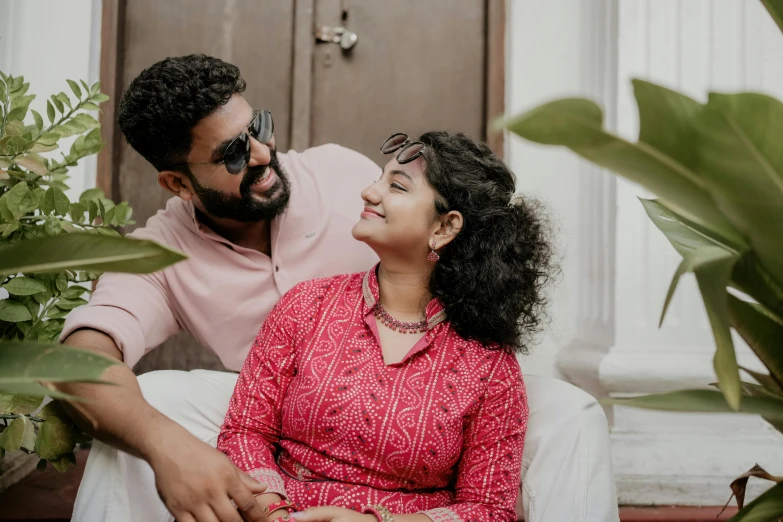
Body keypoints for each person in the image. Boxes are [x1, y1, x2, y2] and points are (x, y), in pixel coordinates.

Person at [58, 54, 619, 522]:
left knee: (573, 414)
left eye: (260, 129)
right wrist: (167, 447)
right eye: (232, 153)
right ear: (179, 182)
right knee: (148, 405)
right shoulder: (160, 252)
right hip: (280, 406)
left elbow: (459, 222)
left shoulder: (341, 175)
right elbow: (78, 363)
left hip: (435, 390)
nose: (261, 154)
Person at [217, 130, 555, 522]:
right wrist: (273, 512)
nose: (369, 192)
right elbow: (245, 430)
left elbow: (488, 510)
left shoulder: (490, 366)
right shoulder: (306, 306)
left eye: (395, 186)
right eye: (379, 178)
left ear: (445, 228)